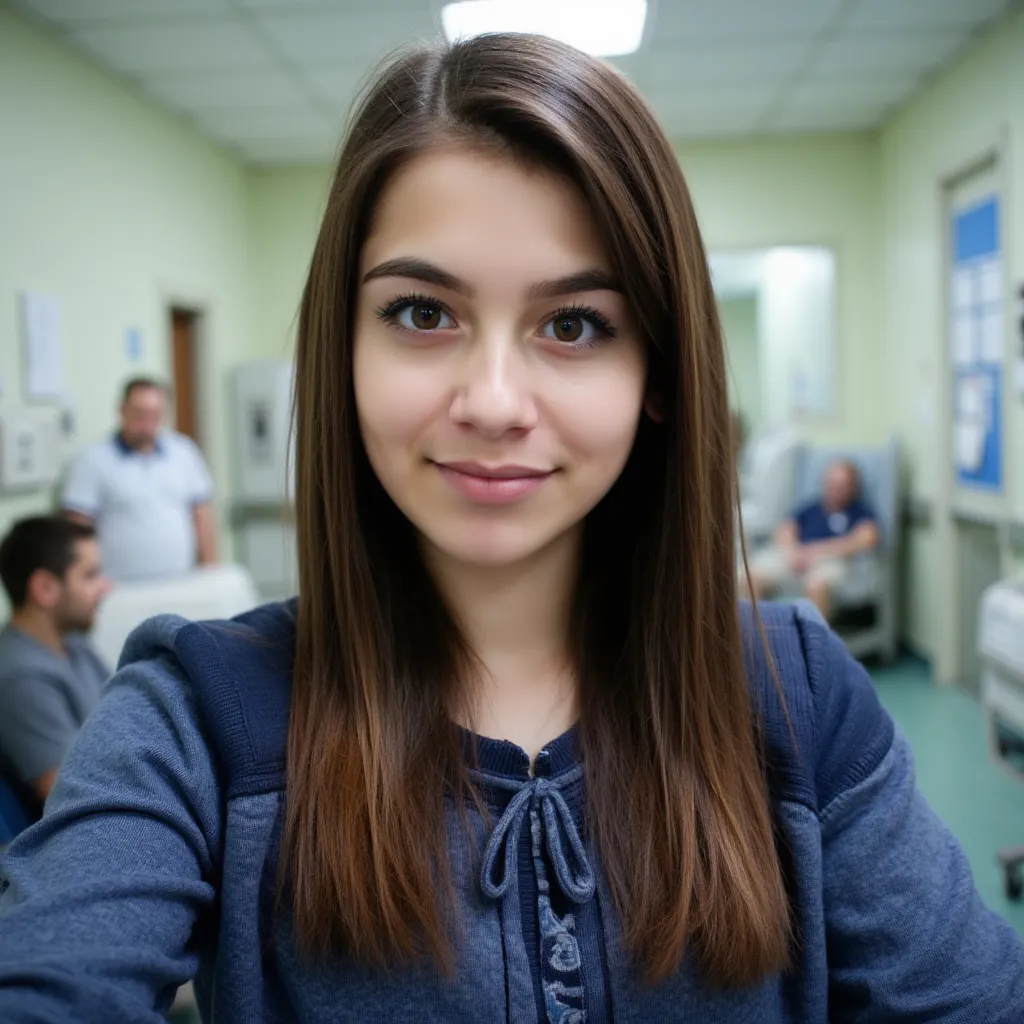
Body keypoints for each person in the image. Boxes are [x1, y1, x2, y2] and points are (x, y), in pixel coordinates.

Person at [1, 34, 1021, 1023]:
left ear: (656, 373)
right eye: (421, 312)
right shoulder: (199, 721)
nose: (493, 401)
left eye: (573, 324)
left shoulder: (797, 698)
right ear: (341, 348)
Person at [0, 517, 110, 815]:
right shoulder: (21, 678)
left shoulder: (74, 645)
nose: (107, 586)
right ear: (45, 588)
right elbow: (70, 798)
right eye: (91, 575)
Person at [61, 377, 218, 582]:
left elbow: (202, 515)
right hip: (120, 587)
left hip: (182, 581)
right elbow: (77, 528)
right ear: (122, 409)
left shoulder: (184, 451)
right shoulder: (92, 459)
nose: (147, 423)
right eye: (140, 414)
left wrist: (211, 569)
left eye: (155, 415)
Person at [748, 459, 880, 619]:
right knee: (749, 576)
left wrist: (817, 552)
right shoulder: (810, 507)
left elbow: (866, 538)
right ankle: (751, 635)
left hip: (830, 561)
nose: (835, 489)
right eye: (831, 483)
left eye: (841, 485)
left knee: (815, 585)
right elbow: (785, 530)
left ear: (853, 487)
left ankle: (815, 642)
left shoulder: (860, 512)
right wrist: (793, 552)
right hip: (796, 555)